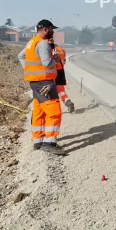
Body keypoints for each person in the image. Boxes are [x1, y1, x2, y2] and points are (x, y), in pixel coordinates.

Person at [18, 20, 68, 155]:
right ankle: (49, 143)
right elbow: (46, 63)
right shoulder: (43, 44)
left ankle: (38, 141)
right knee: (54, 112)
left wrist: (29, 70)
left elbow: (20, 56)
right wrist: (56, 60)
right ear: (45, 29)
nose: (53, 32)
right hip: (45, 83)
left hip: (35, 83)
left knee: (39, 111)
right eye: (52, 29)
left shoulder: (31, 42)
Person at [48, 41, 75, 113]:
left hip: (53, 71)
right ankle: (67, 101)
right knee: (61, 90)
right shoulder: (62, 50)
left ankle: (54, 109)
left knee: (51, 91)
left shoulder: (51, 50)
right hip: (61, 72)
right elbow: (64, 61)